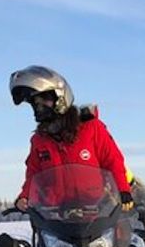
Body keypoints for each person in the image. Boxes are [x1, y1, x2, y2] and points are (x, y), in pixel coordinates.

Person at [9, 65, 133, 211]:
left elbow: (112, 160)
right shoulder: (39, 140)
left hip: (98, 213)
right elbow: (34, 173)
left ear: (60, 97)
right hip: (57, 216)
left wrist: (123, 190)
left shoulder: (91, 128)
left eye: (44, 100)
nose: (39, 107)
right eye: (35, 103)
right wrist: (25, 197)